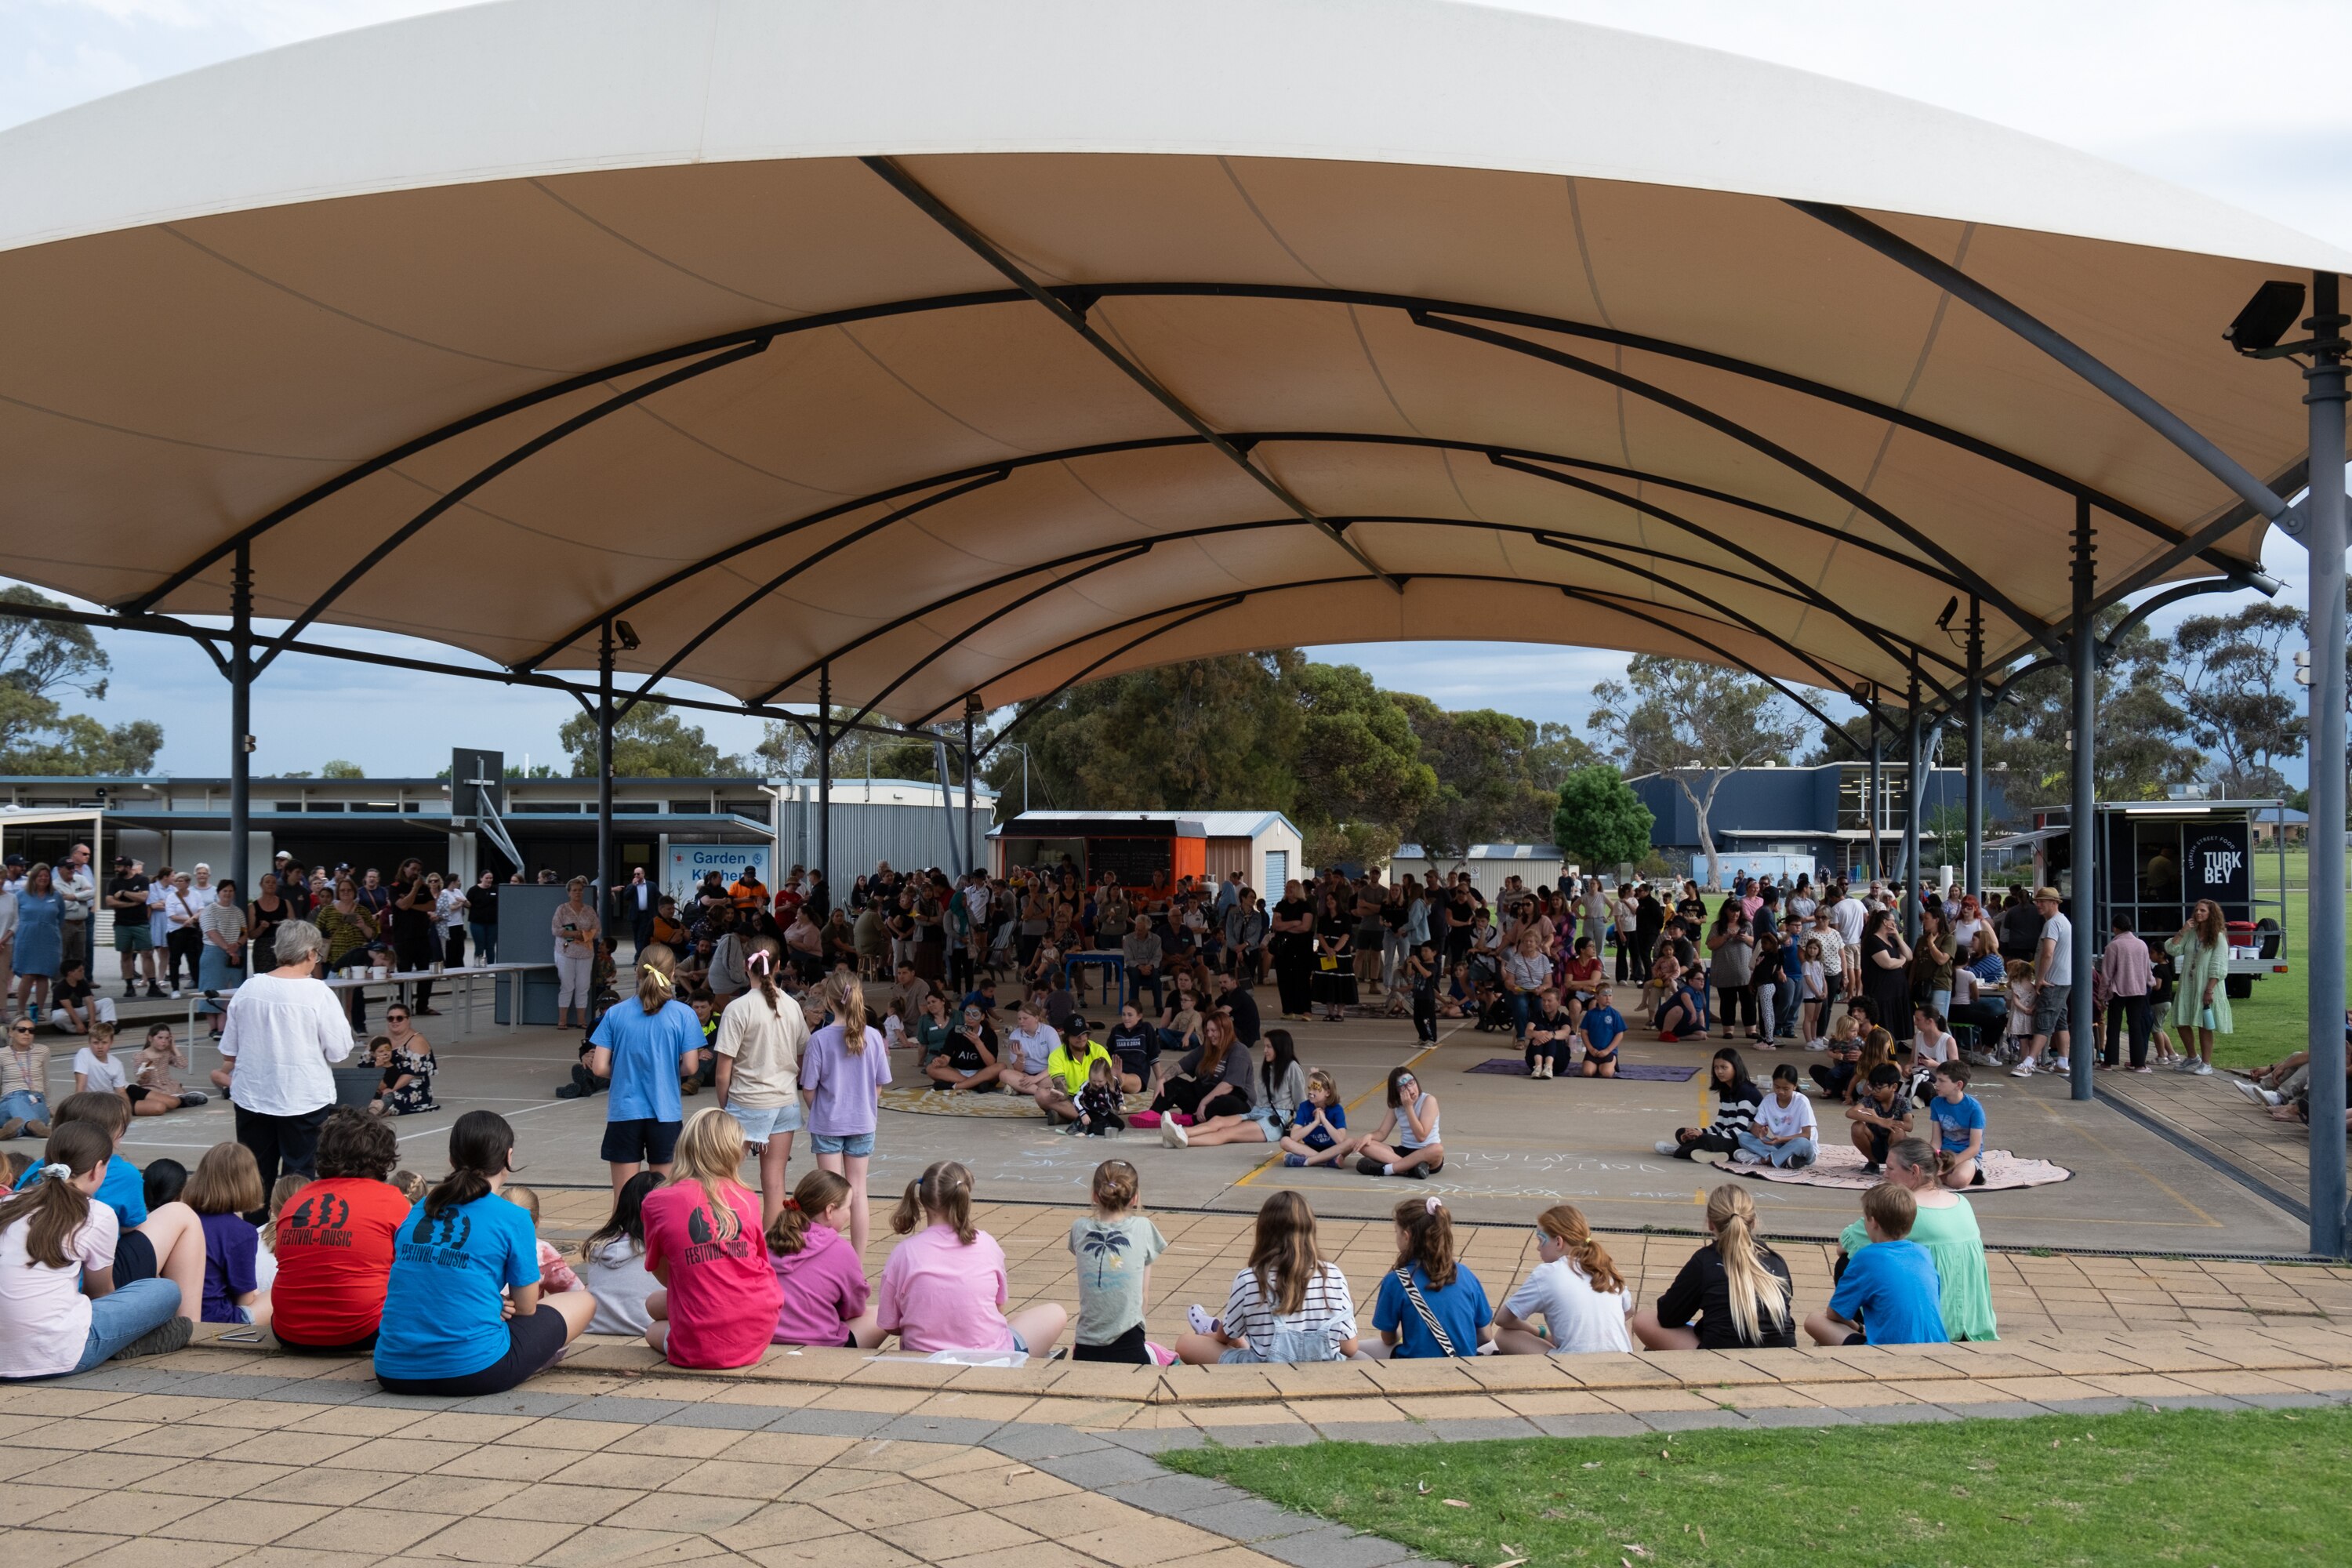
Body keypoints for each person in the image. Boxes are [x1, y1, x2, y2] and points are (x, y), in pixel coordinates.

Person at [372, 1111, 597, 1394]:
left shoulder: (419, 1209)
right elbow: (526, 1308)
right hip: (475, 1371)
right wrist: (493, 1303)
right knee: (585, 1301)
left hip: (393, 1370)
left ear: (452, 1160)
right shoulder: (513, 1217)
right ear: (509, 1157)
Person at [0, 1123, 189, 1378]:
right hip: (59, 1353)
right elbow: (100, 1292)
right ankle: (121, 1343)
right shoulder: (96, 1215)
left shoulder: (9, 1203)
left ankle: (121, 1342)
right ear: (98, 1169)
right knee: (164, 1290)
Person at [11, 1090, 208, 1324]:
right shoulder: (120, 1176)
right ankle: (190, 1324)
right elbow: (132, 1227)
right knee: (181, 1215)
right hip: (87, 1283)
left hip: (35, 1281)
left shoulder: (40, 1169)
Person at [217, 920, 357, 1189]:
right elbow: (339, 1051)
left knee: (256, 1175)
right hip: (303, 1096)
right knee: (300, 1175)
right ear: (311, 953)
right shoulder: (318, 993)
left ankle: (254, 1227)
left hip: (253, 1096)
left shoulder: (249, 989)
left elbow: (230, 1050)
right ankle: (294, 1228)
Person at [877, 1160, 1065, 1358]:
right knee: (1055, 1312)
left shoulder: (904, 1253)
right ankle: (1031, 1356)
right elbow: (999, 1306)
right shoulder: (986, 1243)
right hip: (989, 1356)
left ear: (922, 1199)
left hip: (925, 1357)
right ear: (965, 1197)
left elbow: (890, 1325)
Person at [641, 1108, 779, 1368]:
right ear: (733, 1152)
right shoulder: (746, 1196)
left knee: (652, 1326)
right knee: (655, 1304)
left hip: (700, 1346)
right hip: (760, 1321)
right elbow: (759, 1261)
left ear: (685, 1146)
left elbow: (661, 1271)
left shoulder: (656, 1202)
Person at [270, 1108, 408, 1353]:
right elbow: (413, 1268)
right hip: (362, 1330)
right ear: (384, 1157)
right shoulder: (390, 1200)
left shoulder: (297, 1200)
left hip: (290, 1331)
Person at [1837, 1136, 1996, 1341]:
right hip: (1975, 1324)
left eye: (1891, 1169)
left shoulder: (1902, 1209)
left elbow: (1843, 1245)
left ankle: (1866, 1332)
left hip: (1931, 1328)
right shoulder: (1962, 1202)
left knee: (1847, 1263)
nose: (1885, 1175)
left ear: (1914, 1171)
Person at [1176, 1189, 1359, 1364]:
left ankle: (1236, 1340)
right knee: (1365, 1355)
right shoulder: (1333, 1274)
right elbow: (1350, 1348)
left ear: (1263, 1232)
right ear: (1311, 1230)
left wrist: (1215, 1338)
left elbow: (1226, 1336)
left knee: (1185, 1342)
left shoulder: (1249, 1278)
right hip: (1324, 1369)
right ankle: (1242, 1343)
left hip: (1263, 1369)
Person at [586, 942, 703, 1199]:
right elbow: (692, 1066)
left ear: (638, 972)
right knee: (663, 1197)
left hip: (624, 1112)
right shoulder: (684, 1014)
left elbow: (599, 1066)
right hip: (665, 1113)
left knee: (624, 1197)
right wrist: (667, 1071)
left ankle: (624, 1238)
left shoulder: (615, 1014)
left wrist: (623, 1072)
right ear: (673, 974)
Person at [714, 941, 808, 1232]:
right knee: (775, 1182)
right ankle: (771, 1251)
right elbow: (803, 1055)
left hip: (746, 1101)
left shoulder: (737, 1008)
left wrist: (725, 1105)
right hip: (785, 1101)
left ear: (746, 967)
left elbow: (722, 1070)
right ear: (779, 967)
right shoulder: (792, 1006)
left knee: (725, 1178)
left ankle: (730, 1241)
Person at [1632, 1184, 1795, 1350]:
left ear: (1711, 1224)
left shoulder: (1704, 1261)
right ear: (1753, 1223)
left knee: (1644, 1319)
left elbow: (1669, 1317)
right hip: (1782, 1354)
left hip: (1721, 1356)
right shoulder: (1775, 1260)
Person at [798, 973, 891, 1254]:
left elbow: (808, 1089)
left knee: (830, 1195)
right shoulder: (874, 1036)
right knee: (858, 1191)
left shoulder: (819, 1039)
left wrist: (824, 1112)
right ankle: (857, 1261)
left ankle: (828, 1258)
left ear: (828, 1001)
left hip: (828, 1122)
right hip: (862, 1121)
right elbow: (879, 1086)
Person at [1805, 1182, 1950, 1346]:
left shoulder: (1867, 1257)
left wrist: (1859, 1327)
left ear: (1873, 1222)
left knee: (1815, 1320)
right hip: (1937, 1348)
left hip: (1890, 1352)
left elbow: (1835, 1313)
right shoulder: (1923, 1253)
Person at [1492, 1202, 1633, 1355]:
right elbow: (1629, 1311)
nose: (1538, 1247)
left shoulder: (1547, 1273)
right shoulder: (1605, 1268)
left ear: (1559, 1242)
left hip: (1572, 1368)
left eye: (1541, 1240)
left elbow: (1503, 1319)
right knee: (1623, 1325)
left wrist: (1541, 1333)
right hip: (1620, 1362)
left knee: (1504, 1335)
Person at [764, 1167, 880, 1348]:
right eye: (848, 1207)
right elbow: (854, 1309)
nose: (849, 1214)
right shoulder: (840, 1250)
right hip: (821, 1342)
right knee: (881, 1314)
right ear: (830, 1210)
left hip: (765, 1337)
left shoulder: (765, 1239)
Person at [1068, 1158, 1168, 1363]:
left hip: (1086, 1350)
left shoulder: (1079, 1228)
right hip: (1130, 1347)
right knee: (1155, 1353)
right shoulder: (1144, 1227)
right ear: (1135, 1198)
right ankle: (1157, 1353)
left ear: (1095, 1196)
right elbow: (1143, 1295)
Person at [185, 1142, 271, 1327]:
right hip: (217, 1320)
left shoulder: (184, 1217)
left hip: (180, 1313)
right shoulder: (241, 1231)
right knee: (281, 1294)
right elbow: (245, 1300)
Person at [1655, 1047, 1759, 1163]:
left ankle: (1679, 1150)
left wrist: (1701, 1136)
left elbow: (1740, 1131)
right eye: (1716, 1067)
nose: (1719, 1071)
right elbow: (1719, 1126)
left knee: (1705, 1140)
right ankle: (1707, 1152)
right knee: (1682, 1132)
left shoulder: (1746, 1092)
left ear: (1736, 1067)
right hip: (1727, 1137)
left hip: (1743, 1142)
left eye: (1724, 1067)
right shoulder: (1726, 1091)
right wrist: (1696, 1132)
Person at [2011, 886, 2074, 1078]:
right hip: (2062, 981)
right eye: (2037, 901)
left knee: (2044, 1021)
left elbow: (2048, 953)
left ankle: (2028, 1062)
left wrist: (2039, 979)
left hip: (2051, 981)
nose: (2038, 904)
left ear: (2054, 903)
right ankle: (2062, 1062)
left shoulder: (2052, 924)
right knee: (2060, 1021)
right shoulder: (2063, 921)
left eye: (2042, 901)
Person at [2165, 899, 2231, 1076]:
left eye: (2203, 911)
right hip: (2188, 983)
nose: (2198, 913)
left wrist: (2210, 989)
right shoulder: (2191, 933)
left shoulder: (2218, 936)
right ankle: (2193, 1057)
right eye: (2196, 910)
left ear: (2211, 914)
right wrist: (2183, 930)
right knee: (2181, 1020)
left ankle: (2207, 1063)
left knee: (2204, 1025)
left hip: (2206, 985)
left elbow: (2219, 965)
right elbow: (2172, 949)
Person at [1355, 1065, 1443, 1178]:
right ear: (1396, 1091)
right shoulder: (1396, 1105)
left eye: (1411, 1083)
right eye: (1403, 1087)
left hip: (1427, 1152)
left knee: (1437, 1149)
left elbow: (1421, 1136)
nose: (1410, 1090)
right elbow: (1382, 1133)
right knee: (1363, 1145)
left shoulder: (1428, 1100)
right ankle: (1413, 1169)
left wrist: (1409, 1108)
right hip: (1404, 1152)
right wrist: (1369, 1136)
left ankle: (1387, 1170)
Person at [10, 862, 65, 1022]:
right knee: (27, 975)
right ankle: (20, 1010)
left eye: (46, 876)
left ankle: (39, 1011)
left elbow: (60, 918)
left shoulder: (56, 896)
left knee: (43, 975)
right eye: (40, 876)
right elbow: (14, 918)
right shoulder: (21, 895)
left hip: (48, 940)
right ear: (33, 877)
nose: (43, 879)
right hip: (27, 939)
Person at [1739, 1064, 1818, 1168]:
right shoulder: (1768, 1100)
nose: (1780, 1092)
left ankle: (1766, 1160)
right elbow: (1755, 1128)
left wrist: (1782, 1139)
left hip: (1801, 1148)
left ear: (1794, 1086)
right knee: (1743, 1137)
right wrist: (1761, 1135)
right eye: (1777, 1087)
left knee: (1802, 1143)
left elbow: (1806, 1135)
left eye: (1786, 1089)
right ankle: (1788, 1159)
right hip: (1779, 1145)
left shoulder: (1801, 1101)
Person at [1926, 1062, 1987, 1189]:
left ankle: (1970, 1172)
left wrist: (1949, 1165)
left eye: (1942, 1081)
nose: (1936, 1084)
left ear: (1958, 1085)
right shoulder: (1936, 1103)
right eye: (1937, 1079)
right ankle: (1946, 1175)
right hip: (1944, 1154)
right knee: (1916, 1170)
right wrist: (1933, 1157)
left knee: (1959, 1180)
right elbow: (1936, 1140)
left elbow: (1974, 1148)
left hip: (1966, 1156)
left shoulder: (1974, 1109)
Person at [1279, 1068, 1356, 1168]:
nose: (1310, 1092)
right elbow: (1294, 1137)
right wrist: (1315, 1122)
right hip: (1310, 1148)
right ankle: (1328, 1161)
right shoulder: (1304, 1107)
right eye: (1309, 1088)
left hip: (1333, 1148)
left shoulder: (1337, 1109)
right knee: (1285, 1141)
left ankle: (1308, 1161)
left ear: (1327, 1092)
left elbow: (1340, 1140)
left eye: (1315, 1089)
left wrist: (1324, 1120)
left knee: (1351, 1142)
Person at [552, 877, 601, 1031]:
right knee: (567, 985)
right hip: (566, 952)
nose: (578, 893)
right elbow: (556, 930)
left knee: (583, 986)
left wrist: (585, 935)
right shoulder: (562, 909)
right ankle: (562, 1020)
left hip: (586, 953)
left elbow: (598, 930)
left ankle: (581, 1020)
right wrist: (574, 934)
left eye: (580, 890)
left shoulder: (589, 910)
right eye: (574, 890)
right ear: (569, 893)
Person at [106, 855, 155, 1000]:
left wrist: (123, 894)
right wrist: (131, 902)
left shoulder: (142, 880)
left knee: (147, 953)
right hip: (122, 924)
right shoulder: (114, 882)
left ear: (128, 867)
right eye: (116, 866)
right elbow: (109, 901)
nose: (116, 869)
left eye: (119, 866)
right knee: (125, 955)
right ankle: (129, 986)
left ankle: (153, 985)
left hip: (140, 922)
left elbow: (143, 897)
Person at [466, 871, 500, 967]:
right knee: (479, 945)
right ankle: (478, 966)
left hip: (492, 923)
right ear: (481, 878)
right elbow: (468, 904)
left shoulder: (496, 890)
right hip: (477, 922)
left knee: (490, 946)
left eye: (491, 878)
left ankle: (491, 967)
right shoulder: (473, 890)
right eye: (487, 878)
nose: (489, 880)